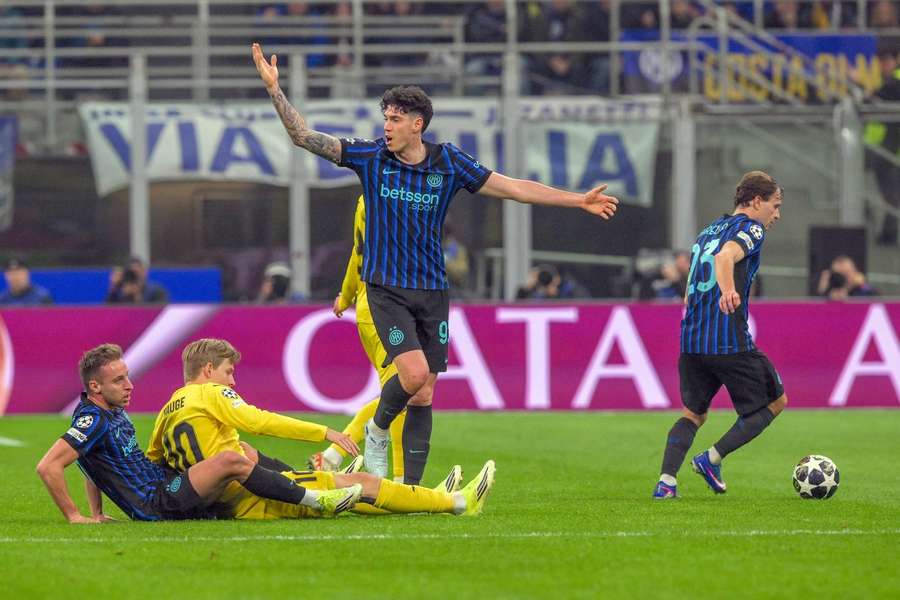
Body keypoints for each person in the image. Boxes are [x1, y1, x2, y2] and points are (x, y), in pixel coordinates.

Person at [252, 42, 618, 481]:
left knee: (425, 393)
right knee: (414, 372)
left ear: (416, 124)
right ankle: (376, 428)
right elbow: (304, 137)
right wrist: (276, 91)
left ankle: (411, 489)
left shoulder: (448, 162)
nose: (385, 126)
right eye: (384, 117)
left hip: (432, 289)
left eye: (394, 119)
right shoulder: (371, 159)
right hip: (386, 288)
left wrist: (578, 200)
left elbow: (513, 188)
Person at [147, 338, 495, 519]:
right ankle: (457, 502)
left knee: (350, 492)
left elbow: (154, 461)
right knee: (363, 484)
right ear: (208, 370)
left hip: (226, 502)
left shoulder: (166, 411)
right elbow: (259, 421)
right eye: (228, 372)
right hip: (252, 493)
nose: (233, 382)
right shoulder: (211, 393)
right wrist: (323, 432)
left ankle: (430, 499)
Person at [36, 344, 363, 523]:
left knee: (243, 451)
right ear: (95, 386)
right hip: (157, 501)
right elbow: (48, 466)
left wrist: (97, 512)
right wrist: (75, 516)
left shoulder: (111, 415)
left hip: (165, 485)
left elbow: (89, 463)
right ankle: (318, 501)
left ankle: (312, 476)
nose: (129, 384)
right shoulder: (92, 420)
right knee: (229, 460)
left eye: (127, 376)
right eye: (118, 380)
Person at [653, 171, 788, 499]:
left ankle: (666, 482)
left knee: (694, 413)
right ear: (756, 202)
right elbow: (725, 256)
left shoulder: (708, 230)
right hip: (727, 339)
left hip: (692, 341)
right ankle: (711, 459)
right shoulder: (750, 228)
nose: (777, 214)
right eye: (775, 204)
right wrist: (728, 290)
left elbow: (690, 286)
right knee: (775, 402)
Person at [309, 194, 410, 482]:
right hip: (386, 307)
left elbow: (358, 251)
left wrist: (347, 294)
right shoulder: (395, 197)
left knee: (399, 391)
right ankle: (402, 482)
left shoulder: (368, 198)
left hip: (373, 304)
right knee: (403, 392)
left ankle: (333, 455)